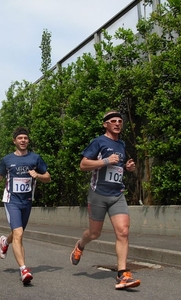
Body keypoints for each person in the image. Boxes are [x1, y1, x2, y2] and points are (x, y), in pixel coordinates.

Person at [69, 110, 141, 290]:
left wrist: (128, 167)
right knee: (94, 234)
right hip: (98, 194)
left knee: (123, 232)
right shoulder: (98, 142)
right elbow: (83, 165)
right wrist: (106, 161)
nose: (117, 123)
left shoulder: (122, 145)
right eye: (113, 121)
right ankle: (80, 245)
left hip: (117, 194)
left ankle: (122, 274)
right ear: (105, 124)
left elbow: (119, 166)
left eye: (120, 121)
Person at [0, 127, 51, 284]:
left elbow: (48, 177)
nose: (23, 140)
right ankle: (24, 270)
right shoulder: (7, 160)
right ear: (15, 141)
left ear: (28, 140)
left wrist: (38, 175)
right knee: (18, 234)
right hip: (11, 201)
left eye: (25, 138)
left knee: (17, 233)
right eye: (20, 138)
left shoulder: (35, 158)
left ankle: (5, 242)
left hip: (27, 202)